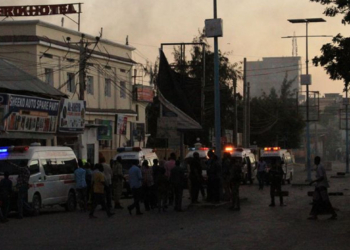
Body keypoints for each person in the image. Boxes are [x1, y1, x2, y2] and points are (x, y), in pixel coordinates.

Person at [308, 156, 337, 220]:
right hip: (319, 186)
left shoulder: (319, 167)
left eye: (315, 160)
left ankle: (333, 213)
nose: (314, 162)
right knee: (316, 200)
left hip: (321, 186)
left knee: (324, 201)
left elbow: (321, 177)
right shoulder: (320, 166)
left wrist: (313, 181)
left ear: (316, 161)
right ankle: (315, 215)